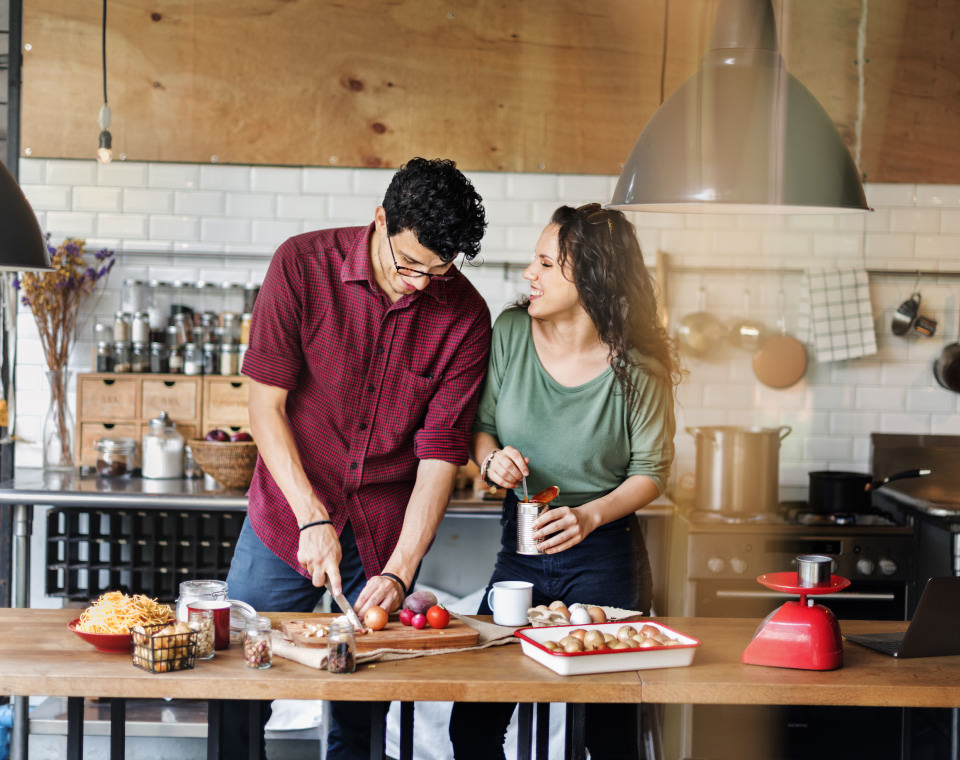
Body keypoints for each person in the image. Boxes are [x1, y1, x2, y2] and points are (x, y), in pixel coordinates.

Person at [224, 157, 491, 759]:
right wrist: (311, 517)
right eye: (409, 264)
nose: (421, 283)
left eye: (439, 270)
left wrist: (399, 571)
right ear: (379, 220)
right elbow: (265, 408)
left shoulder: (467, 317)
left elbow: (440, 455)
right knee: (239, 685)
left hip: (382, 532)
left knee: (364, 709)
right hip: (287, 516)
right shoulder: (300, 265)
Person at [448, 203, 680, 760]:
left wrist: (590, 515)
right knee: (474, 725)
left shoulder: (639, 365)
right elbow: (480, 429)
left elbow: (652, 472)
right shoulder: (509, 332)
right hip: (521, 548)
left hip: (604, 551)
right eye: (536, 259)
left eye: (547, 263)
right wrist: (491, 461)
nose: (531, 272)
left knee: (608, 734)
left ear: (593, 277)